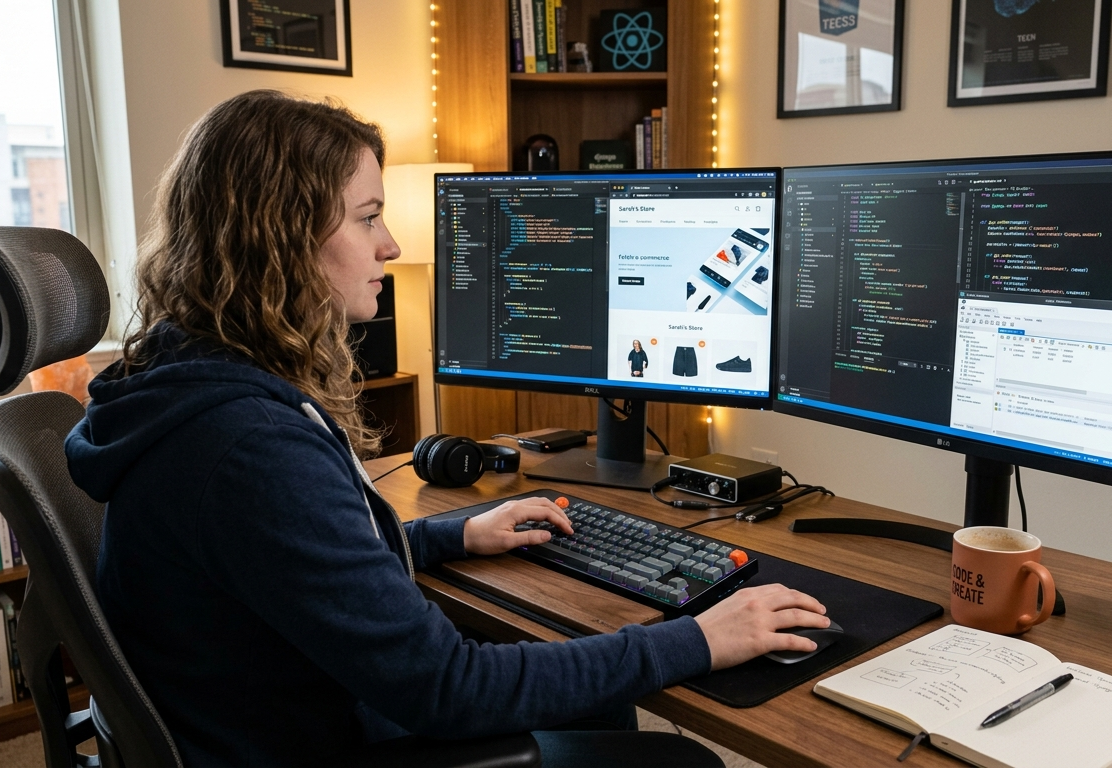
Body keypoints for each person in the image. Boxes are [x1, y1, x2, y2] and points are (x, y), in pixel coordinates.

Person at [65, 90, 829, 768]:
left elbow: (284, 564)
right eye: (368, 218)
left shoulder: (183, 383)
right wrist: (699, 639)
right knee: (675, 758)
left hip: (265, 715)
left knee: (592, 694)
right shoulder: (246, 444)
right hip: (316, 740)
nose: (391, 246)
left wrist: (449, 535)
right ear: (281, 238)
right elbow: (449, 690)